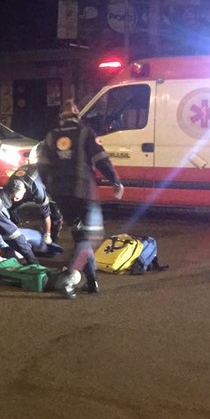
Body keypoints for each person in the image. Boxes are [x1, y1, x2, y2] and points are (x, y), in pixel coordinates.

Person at [38, 103, 124, 298]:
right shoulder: (86, 133)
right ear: (77, 115)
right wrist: (115, 181)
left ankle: (92, 281)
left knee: (80, 237)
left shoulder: (51, 136)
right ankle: (68, 279)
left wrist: (50, 189)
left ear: (61, 117)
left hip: (61, 196)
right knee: (90, 237)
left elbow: (42, 166)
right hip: (84, 192)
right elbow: (101, 159)